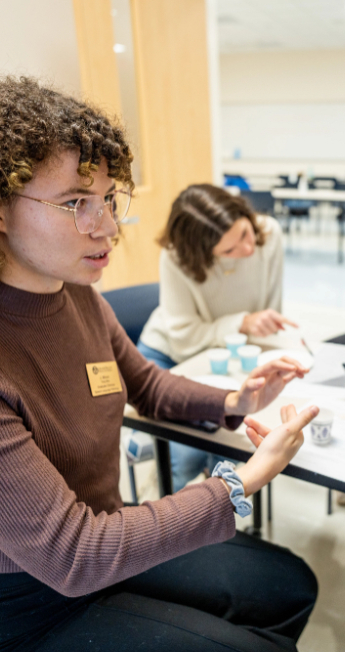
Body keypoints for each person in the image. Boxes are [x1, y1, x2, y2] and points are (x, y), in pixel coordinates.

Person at [0, 76, 320, 652]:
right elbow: (72, 554)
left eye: (108, 198)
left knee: (288, 588)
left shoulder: (74, 292)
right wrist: (240, 480)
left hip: (99, 551)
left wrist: (237, 401)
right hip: (16, 616)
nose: (106, 225)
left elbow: (146, 385)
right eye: (76, 202)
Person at [137, 184, 293, 491]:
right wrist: (243, 322)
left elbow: (269, 313)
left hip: (227, 352)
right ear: (202, 253)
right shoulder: (176, 258)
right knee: (187, 458)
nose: (247, 249)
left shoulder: (269, 234)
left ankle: (205, 505)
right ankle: (160, 505)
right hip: (171, 353)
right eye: (229, 251)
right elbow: (183, 338)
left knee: (228, 445)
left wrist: (255, 328)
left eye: (245, 234)